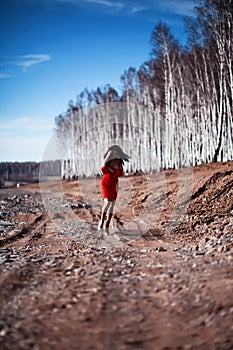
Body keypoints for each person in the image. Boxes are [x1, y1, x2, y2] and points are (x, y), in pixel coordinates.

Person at [98, 145, 130, 233]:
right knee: (107, 202)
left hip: (114, 183)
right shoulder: (107, 161)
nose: (114, 153)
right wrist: (110, 153)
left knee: (112, 205)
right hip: (106, 182)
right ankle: (101, 222)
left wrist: (116, 171)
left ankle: (107, 225)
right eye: (112, 152)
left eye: (115, 152)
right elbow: (103, 166)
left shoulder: (119, 162)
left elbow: (122, 173)